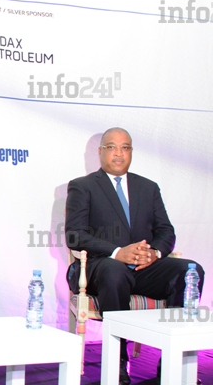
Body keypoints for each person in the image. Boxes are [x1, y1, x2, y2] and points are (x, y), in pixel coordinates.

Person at [65, 127, 205, 385]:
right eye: (112, 147)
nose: (119, 153)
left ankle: (172, 360)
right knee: (114, 270)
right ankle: (117, 360)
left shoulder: (147, 187)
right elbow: (74, 235)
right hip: (100, 267)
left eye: (125, 147)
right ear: (100, 152)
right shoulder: (83, 186)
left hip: (143, 269)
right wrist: (117, 252)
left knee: (190, 271)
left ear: (131, 152)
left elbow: (166, 231)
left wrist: (154, 253)